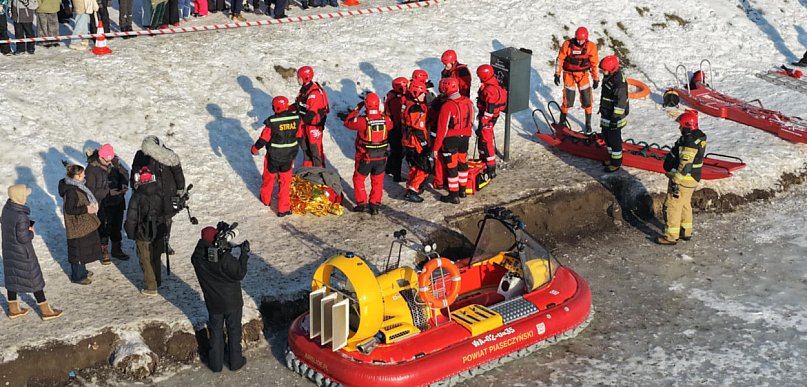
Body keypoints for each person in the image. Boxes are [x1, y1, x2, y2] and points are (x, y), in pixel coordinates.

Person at [191, 226, 249, 373]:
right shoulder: (223, 258)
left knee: (216, 332)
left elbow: (206, 256)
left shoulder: (197, 257)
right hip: (232, 301)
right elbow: (239, 272)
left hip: (213, 302)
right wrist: (244, 255)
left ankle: (215, 365)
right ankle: (235, 362)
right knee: (234, 330)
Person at [2, 185, 63, 320]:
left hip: (9, 250)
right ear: (20, 197)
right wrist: (30, 231)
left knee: (13, 277)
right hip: (23, 253)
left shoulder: (7, 209)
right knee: (35, 280)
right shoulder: (21, 216)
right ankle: (46, 310)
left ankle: (14, 309)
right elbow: (23, 238)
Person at [657, 110, 706, 245]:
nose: (679, 128)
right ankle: (685, 231)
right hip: (692, 179)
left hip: (684, 179)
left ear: (687, 126)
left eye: (681, 125)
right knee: (684, 204)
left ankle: (671, 236)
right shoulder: (697, 137)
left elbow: (685, 165)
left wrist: (675, 180)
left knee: (673, 205)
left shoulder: (689, 142)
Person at [130, 135, 185, 256]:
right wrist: (135, 185)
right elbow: (134, 172)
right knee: (149, 218)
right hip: (149, 194)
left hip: (167, 193)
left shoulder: (168, 154)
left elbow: (177, 172)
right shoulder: (141, 156)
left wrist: (181, 189)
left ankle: (165, 242)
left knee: (167, 219)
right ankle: (150, 241)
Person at [251, 96, 302, 217]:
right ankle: (283, 209)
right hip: (289, 157)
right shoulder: (295, 119)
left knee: (268, 179)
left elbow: (263, 139)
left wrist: (254, 149)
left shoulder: (272, 122)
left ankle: (265, 199)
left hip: (273, 157)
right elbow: (299, 135)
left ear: (275, 107)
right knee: (285, 182)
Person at [343, 92, 393, 215]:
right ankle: (375, 205)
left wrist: (357, 108)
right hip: (381, 158)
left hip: (365, 157)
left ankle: (362, 203)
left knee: (358, 179)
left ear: (366, 105)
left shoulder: (362, 121)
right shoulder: (385, 119)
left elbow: (347, 122)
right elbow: (391, 125)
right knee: (377, 181)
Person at [124, 167, 167, 295]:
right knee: (155, 256)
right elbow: (165, 212)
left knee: (145, 258)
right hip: (158, 229)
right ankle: (157, 280)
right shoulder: (160, 192)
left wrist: (131, 233)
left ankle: (151, 286)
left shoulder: (137, 196)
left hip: (143, 232)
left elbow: (131, 217)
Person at [59, 164, 102, 285]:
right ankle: (77, 276)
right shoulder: (72, 191)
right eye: (82, 173)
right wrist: (86, 209)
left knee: (83, 248)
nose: (85, 175)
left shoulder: (77, 185)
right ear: (77, 176)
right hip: (77, 225)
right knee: (77, 250)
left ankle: (82, 271)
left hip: (81, 223)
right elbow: (69, 209)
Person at [86, 144, 130, 263]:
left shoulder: (114, 163)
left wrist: (124, 184)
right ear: (100, 157)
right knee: (104, 228)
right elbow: (90, 191)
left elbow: (125, 174)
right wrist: (108, 192)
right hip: (103, 203)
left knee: (117, 226)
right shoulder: (91, 169)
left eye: (111, 159)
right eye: (107, 160)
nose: (109, 162)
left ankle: (116, 249)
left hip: (118, 201)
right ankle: (103, 251)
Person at [434, 77, 474, 204]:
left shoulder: (447, 106)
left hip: (450, 140)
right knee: (463, 164)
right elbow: (472, 119)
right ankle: (463, 190)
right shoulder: (468, 101)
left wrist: (435, 148)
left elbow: (442, 129)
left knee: (452, 167)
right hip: (465, 138)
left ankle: (453, 194)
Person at [554, 26, 599, 132]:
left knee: (587, 98)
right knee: (567, 98)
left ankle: (588, 123)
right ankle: (562, 120)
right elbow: (560, 59)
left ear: (586, 38)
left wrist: (596, 78)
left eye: (582, 39)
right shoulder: (567, 45)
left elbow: (594, 64)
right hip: (569, 74)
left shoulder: (591, 47)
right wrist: (557, 74)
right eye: (578, 39)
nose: (580, 41)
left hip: (583, 75)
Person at [294, 66, 330, 168]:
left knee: (315, 150)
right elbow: (299, 104)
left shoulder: (314, 94)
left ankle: (320, 172)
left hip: (314, 126)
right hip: (305, 124)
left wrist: (299, 123)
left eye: (299, 77)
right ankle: (308, 168)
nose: (297, 79)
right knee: (306, 148)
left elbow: (311, 114)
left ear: (305, 78)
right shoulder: (304, 90)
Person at [475, 64, 507, 178]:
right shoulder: (494, 83)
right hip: (490, 117)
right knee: (483, 140)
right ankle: (484, 161)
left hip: (488, 119)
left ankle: (491, 167)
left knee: (486, 141)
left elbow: (489, 110)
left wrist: (483, 123)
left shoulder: (490, 90)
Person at [598, 55, 629, 172]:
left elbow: (620, 103)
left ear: (611, 70)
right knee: (606, 135)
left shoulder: (618, 83)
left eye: (604, 70)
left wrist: (615, 118)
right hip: (607, 112)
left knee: (614, 138)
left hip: (615, 116)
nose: (602, 72)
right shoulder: (609, 77)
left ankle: (616, 162)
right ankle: (611, 157)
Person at [402, 80, 431, 203]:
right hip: (415, 142)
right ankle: (413, 190)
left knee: (414, 166)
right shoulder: (416, 109)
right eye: (422, 93)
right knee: (424, 167)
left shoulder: (407, 104)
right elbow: (418, 128)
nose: (424, 95)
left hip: (408, 141)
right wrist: (424, 144)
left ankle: (411, 186)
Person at [384, 77, 409, 182]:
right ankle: (396, 176)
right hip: (396, 128)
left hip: (393, 127)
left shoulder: (392, 96)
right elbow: (398, 116)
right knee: (398, 152)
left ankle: (389, 168)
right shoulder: (395, 100)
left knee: (395, 151)